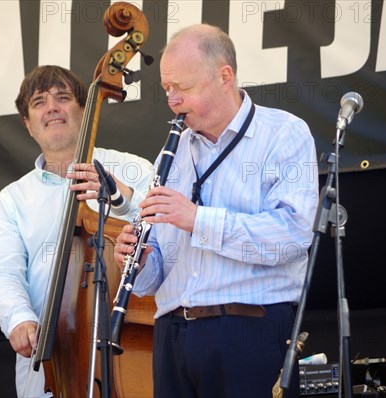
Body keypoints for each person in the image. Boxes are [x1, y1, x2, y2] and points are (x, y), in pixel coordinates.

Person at [114, 24, 319, 397]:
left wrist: (197, 219)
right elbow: (156, 272)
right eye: (166, 89)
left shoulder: (284, 134)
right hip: (173, 337)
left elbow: (292, 235)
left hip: (247, 329)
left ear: (225, 76)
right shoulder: (170, 155)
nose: (172, 100)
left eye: (183, 87)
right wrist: (141, 261)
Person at [0, 65, 153, 397]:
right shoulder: (11, 201)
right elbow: (2, 272)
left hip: (130, 345)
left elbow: (167, 232)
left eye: (63, 98)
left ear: (84, 110)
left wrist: (123, 199)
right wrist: (18, 318)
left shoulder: (133, 169)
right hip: (51, 359)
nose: (52, 108)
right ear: (28, 125)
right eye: (39, 102)